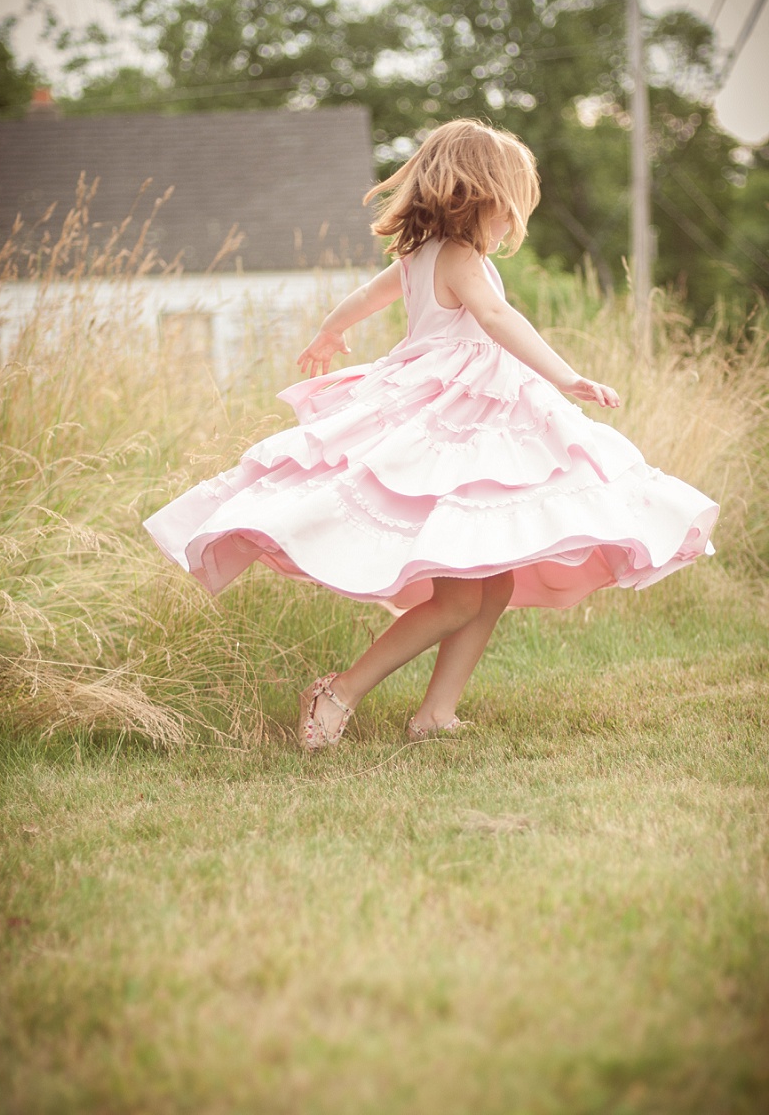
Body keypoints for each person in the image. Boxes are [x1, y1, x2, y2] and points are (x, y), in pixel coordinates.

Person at [144, 118, 718, 752]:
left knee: (492, 580)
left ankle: (436, 713)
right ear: (480, 198)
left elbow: (368, 294)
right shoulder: (460, 257)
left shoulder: (419, 255)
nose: (511, 222)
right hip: (456, 417)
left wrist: (330, 331)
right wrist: (567, 376)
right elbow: (498, 317)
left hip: (458, 411)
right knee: (457, 599)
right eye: (509, 206)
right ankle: (339, 691)